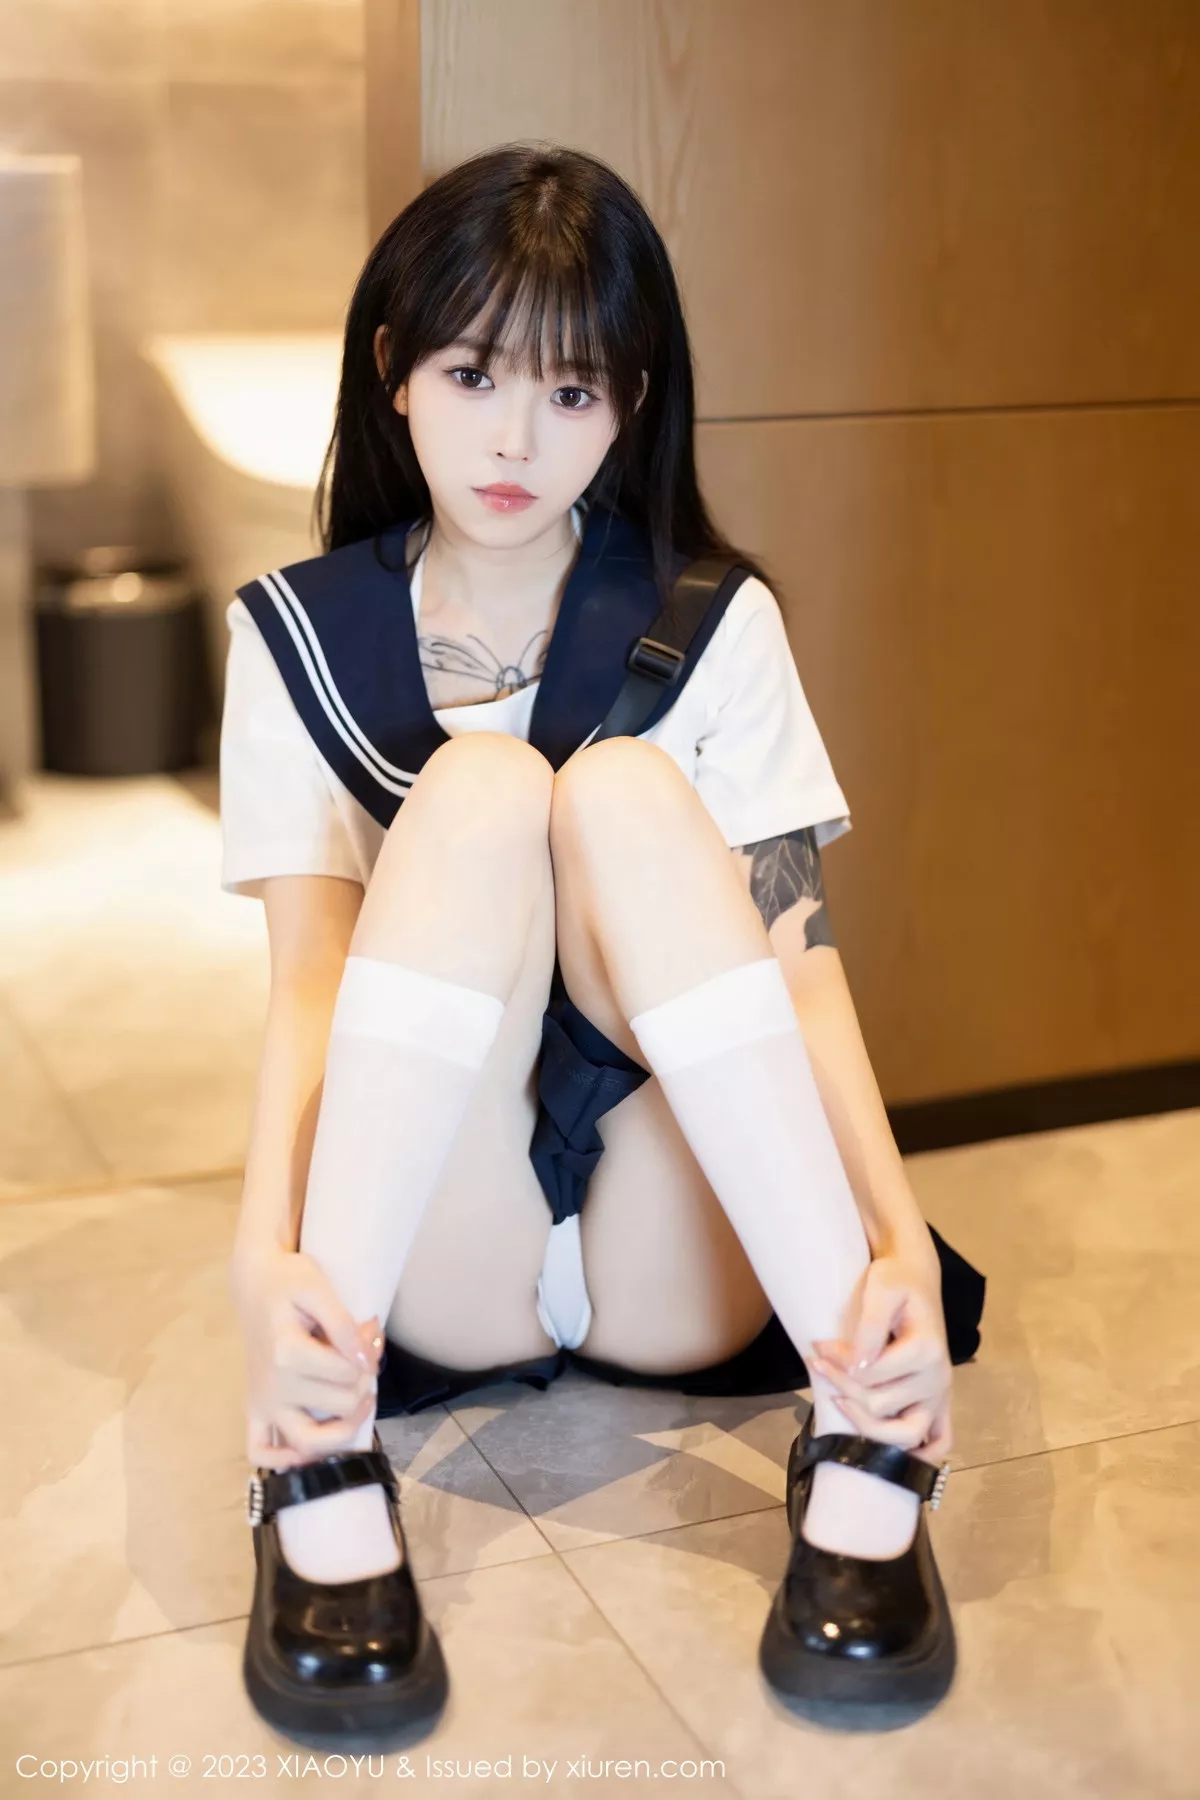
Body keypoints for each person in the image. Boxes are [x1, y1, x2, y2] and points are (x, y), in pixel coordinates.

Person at [221, 142, 985, 1747]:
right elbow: (308, 989)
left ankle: (867, 1433)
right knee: (485, 791)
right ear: (395, 371)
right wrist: (261, 1265)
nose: (516, 439)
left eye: (572, 392)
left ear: (631, 406)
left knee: (624, 792)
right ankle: (317, 1455)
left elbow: (801, 968)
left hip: (674, 1252)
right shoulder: (293, 638)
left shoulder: (713, 619)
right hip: (449, 1257)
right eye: (474, 374)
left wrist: (896, 1243)